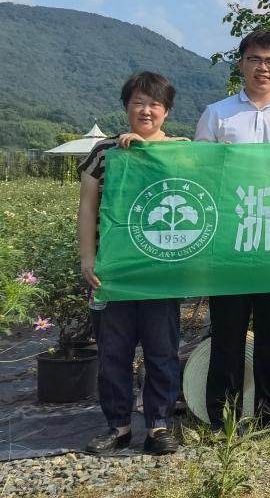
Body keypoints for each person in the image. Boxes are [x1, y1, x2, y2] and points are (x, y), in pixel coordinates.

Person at [195, 30, 270, 432]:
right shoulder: (217, 114)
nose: (262, 68)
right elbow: (201, 173)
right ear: (241, 64)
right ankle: (222, 417)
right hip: (231, 238)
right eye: (254, 59)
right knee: (228, 331)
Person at [78, 72, 188, 455]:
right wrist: (88, 258)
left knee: (162, 350)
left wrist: (151, 152)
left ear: (167, 111)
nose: (146, 110)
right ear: (126, 107)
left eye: (154, 104)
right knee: (114, 352)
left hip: (162, 270)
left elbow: (202, 186)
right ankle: (118, 426)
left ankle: (159, 426)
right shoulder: (105, 152)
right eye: (137, 103)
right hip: (113, 272)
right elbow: (87, 207)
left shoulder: (181, 150)